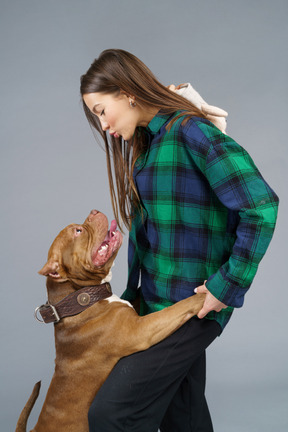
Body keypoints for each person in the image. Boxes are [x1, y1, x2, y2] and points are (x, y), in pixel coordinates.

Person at [80, 49, 279, 432]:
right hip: (153, 305)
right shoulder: (149, 143)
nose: (103, 125)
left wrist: (228, 285)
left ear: (126, 92)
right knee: (183, 418)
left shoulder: (189, 131)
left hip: (191, 307)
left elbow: (261, 205)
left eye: (102, 111)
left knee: (111, 413)